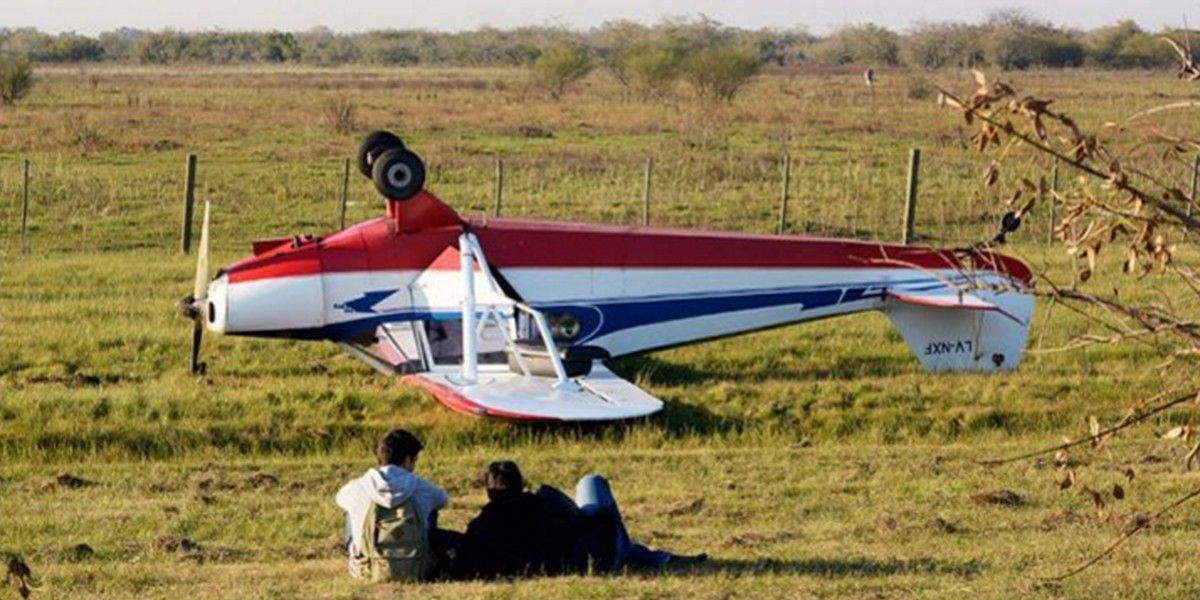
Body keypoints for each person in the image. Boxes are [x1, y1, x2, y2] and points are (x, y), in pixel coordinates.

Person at [453, 460, 705, 578]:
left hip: (575, 561)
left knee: (620, 542)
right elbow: (581, 520)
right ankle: (647, 554)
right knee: (591, 482)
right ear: (521, 483)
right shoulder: (542, 504)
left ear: (488, 490)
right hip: (599, 554)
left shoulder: (481, 527)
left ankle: (650, 555)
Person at [335, 428, 450, 580]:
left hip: (368, 571)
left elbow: (339, 499)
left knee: (351, 513)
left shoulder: (358, 487)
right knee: (431, 511)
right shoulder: (421, 487)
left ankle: (357, 557)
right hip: (416, 570)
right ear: (407, 460)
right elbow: (443, 500)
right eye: (415, 461)